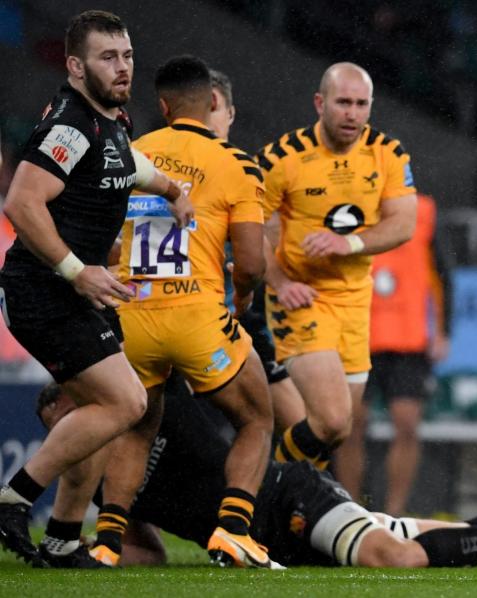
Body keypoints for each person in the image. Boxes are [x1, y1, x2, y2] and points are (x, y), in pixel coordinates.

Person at [37, 380, 477, 568]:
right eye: (54, 428)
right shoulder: (93, 487)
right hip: (272, 544)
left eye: (66, 414)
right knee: (435, 529)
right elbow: (140, 553)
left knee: (395, 559)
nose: (64, 434)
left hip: (291, 499)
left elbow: (246, 420)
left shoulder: (153, 407)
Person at [0, 10, 192, 567]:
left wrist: (173, 188)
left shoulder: (107, 119)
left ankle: (61, 539)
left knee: (100, 415)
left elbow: (126, 164)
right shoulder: (69, 124)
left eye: (127, 55)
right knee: (126, 401)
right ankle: (13, 499)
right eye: (109, 57)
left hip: (74, 292)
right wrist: (75, 270)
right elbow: (21, 203)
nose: (123, 66)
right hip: (44, 289)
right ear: (76, 66)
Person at [97, 55, 276, 569]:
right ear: (214, 101)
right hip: (197, 316)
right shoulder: (236, 163)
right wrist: (240, 303)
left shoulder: (131, 153)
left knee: (137, 425)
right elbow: (250, 263)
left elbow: (106, 246)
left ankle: (108, 540)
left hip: (133, 314)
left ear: (162, 105)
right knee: (257, 418)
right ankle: (234, 530)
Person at [256, 63, 418, 475]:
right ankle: (261, 491)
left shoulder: (388, 153)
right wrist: (279, 281)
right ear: (320, 103)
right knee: (329, 419)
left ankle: (288, 504)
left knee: (339, 429)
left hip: (355, 300)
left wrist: (349, 243)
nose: (353, 113)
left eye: (361, 104)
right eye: (343, 102)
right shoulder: (282, 157)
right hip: (301, 296)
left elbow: (403, 224)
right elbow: (246, 225)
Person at [209, 68, 307, 431]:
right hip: (186, 318)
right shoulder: (160, 168)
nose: (207, 119)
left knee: (298, 430)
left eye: (214, 109)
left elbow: (265, 247)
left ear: (231, 114)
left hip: (239, 320)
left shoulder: (245, 172)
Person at [338, 192, 450, 512]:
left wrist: (443, 331)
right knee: (349, 425)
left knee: (407, 424)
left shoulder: (423, 210)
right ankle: (349, 508)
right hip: (359, 333)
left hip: (408, 339)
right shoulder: (348, 204)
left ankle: (394, 512)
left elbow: (441, 272)